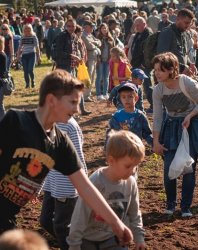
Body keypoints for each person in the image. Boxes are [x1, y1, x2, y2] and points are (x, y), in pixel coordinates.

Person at [0, 69, 133, 245]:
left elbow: (84, 186)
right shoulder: (16, 121)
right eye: (72, 102)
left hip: (7, 217)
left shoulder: (60, 143)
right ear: (51, 100)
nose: (77, 110)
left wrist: (115, 222)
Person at [67, 130, 146, 250]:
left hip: (114, 239)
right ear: (111, 160)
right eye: (128, 166)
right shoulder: (96, 182)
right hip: (87, 241)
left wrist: (139, 238)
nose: (132, 171)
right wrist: (74, 245)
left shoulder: (131, 183)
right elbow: (80, 215)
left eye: (136, 166)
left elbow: (134, 213)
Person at [152, 52, 198, 217]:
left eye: (160, 70)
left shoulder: (186, 82)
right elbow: (157, 116)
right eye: (155, 70)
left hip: (190, 126)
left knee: (188, 168)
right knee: (169, 167)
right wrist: (156, 141)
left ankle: (185, 207)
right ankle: (170, 203)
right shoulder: (158, 89)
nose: (157, 73)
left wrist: (190, 116)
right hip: (170, 127)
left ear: (171, 69)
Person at [39, 117, 87, 250]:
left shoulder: (70, 126)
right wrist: (38, 187)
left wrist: (84, 186)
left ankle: (70, 244)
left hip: (66, 185)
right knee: (45, 220)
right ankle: (71, 242)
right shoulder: (47, 124)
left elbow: (78, 158)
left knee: (61, 226)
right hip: (50, 183)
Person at [107, 82, 152, 146]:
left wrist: (154, 144)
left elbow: (147, 133)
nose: (127, 99)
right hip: (121, 149)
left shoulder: (140, 116)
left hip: (135, 148)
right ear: (120, 99)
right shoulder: (116, 116)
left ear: (136, 98)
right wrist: (108, 149)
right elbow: (110, 134)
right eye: (123, 97)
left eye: (130, 97)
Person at [16, 23, 41, 88]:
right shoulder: (22, 37)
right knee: (25, 71)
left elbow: (37, 47)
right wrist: (18, 56)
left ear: (31, 30)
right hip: (24, 55)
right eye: (25, 30)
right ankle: (27, 83)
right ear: (24, 30)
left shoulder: (34, 37)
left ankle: (33, 81)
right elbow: (20, 47)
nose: (27, 31)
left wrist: (38, 57)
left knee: (30, 70)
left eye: (28, 29)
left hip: (32, 54)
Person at [95, 23, 115, 101]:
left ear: (107, 29)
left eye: (105, 28)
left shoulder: (111, 38)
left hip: (108, 60)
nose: (104, 30)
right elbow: (96, 49)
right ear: (100, 29)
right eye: (102, 28)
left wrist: (112, 59)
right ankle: (98, 94)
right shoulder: (97, 38)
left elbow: (113, 49)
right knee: (99, 77)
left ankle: (105, 93)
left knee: (106, 77)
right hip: (100, 60)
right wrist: (97, 59)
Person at [0, 36, 7, 121]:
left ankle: (4, 122)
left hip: (0, 84)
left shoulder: (2, 55)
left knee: (0, 105)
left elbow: (2, 72)